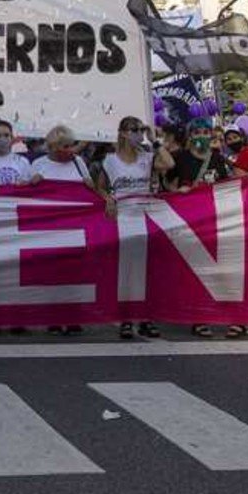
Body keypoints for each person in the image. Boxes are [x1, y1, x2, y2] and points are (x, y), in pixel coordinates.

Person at [91, 116, 171, 339]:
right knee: (126, 270)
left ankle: (146, 318)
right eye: (134, 130)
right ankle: (126, 317)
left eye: (141, 130)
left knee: (147, 271)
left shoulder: (147, 157)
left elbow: (168, 164)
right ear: (123, 133)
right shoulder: (110, 160)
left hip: (145, 218)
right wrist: (107, 198)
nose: (138, 134)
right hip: (122, 220)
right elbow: (99, 187)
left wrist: (155, 141)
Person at [163, 118, 230, 191]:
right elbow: (167, 182)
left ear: (210, 135)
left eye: (206, 133)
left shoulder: (218, 158)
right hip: (189, 198)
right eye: (196, 133)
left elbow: (225, 184)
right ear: (190, 136)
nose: (201, 136)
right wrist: (177, 191)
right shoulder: (180, 158)